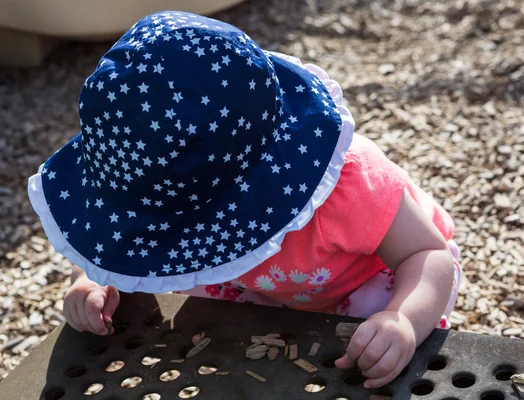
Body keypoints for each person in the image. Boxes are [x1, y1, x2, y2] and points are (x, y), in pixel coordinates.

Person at [27, 11, 461, 389]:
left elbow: (428, 255)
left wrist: (404, 319)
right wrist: (93, 280)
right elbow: (120, 227)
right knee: (204, 330)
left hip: (365, 278)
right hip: (265, 285)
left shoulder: (350, 187)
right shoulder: (164, 182)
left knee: (378, 325)